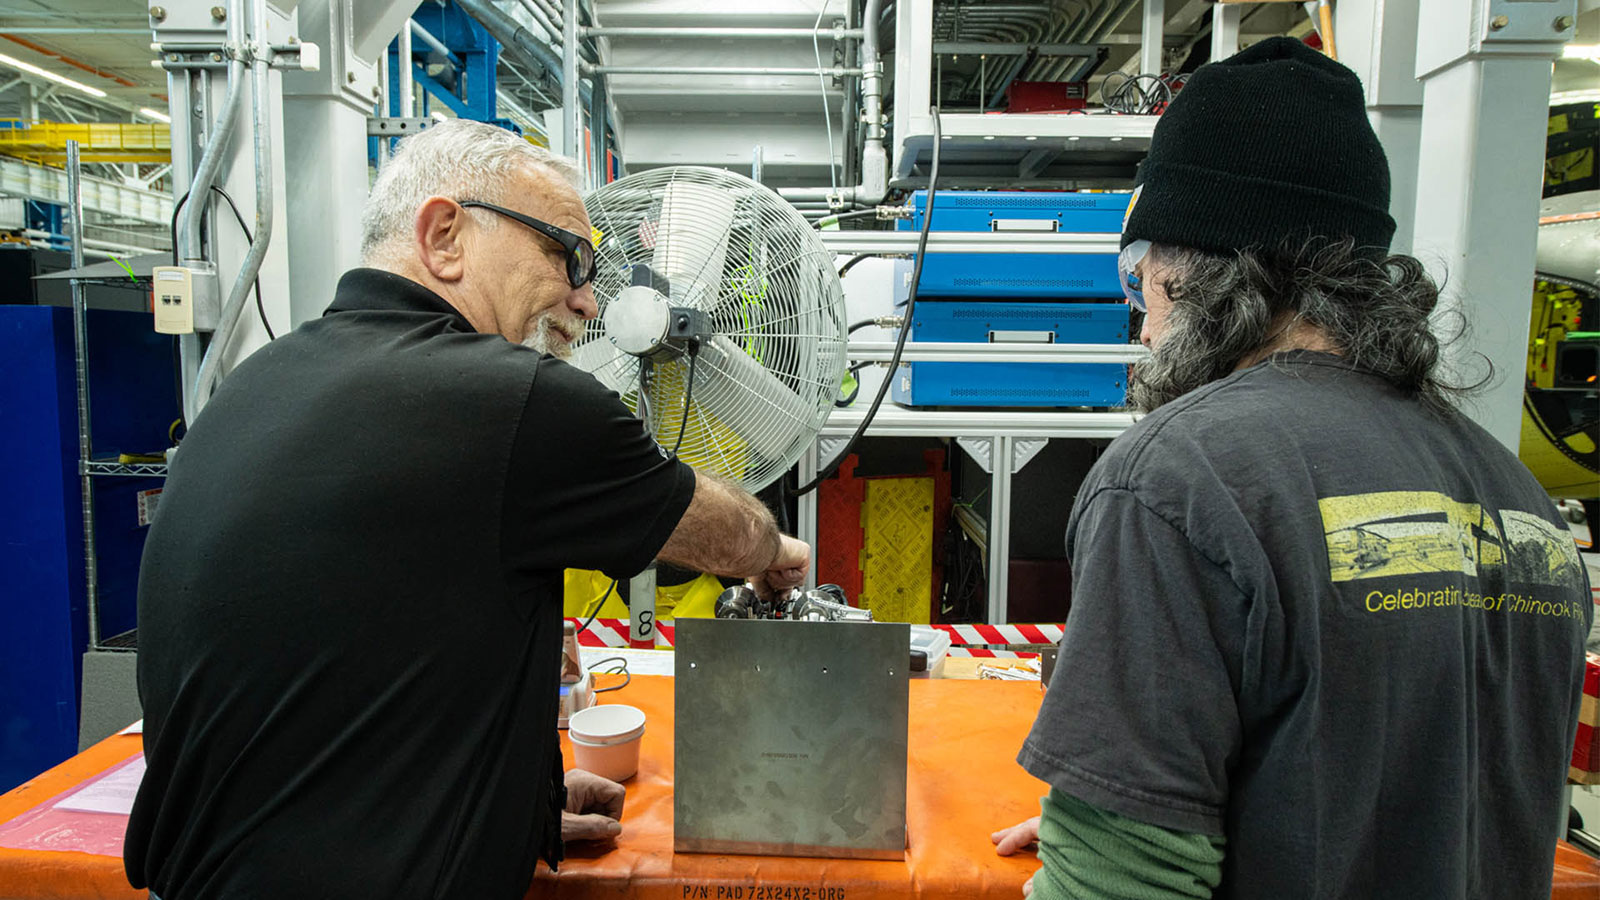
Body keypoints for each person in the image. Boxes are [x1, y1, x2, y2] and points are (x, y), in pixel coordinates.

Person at [125, 119, 810, 900]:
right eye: (570, 257)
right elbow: (724, 535)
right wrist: (775, 547)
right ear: (445, 234)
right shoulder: (515, 399)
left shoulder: (251, 384)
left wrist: (520, 806)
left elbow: (346, 671)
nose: (591, 302)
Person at [991, 37, 1592, 900]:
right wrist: (1134, 803)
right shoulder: (1516, 494)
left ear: (1194, 268)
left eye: (1139, 282)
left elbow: (1121, 886)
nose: (1143, 329)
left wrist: (1114, 843)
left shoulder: (1175, 481)